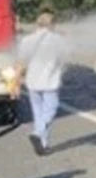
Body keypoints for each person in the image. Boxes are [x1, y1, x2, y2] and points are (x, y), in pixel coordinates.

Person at [17, 10, 72, 156]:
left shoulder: (27, 40)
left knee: (38, 113)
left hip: (32, 81)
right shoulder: (58, 40)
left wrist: (18, 78)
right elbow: (65, 58)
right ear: (52, 24)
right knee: (51, 109)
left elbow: (22, 61)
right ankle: (38, 134)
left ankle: (43, 144)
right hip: (50, 81)